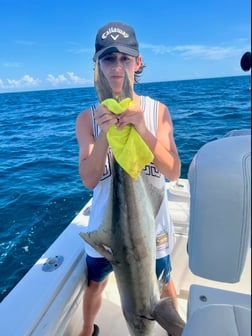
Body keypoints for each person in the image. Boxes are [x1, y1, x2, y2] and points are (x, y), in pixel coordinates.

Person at [76, 21, 181, 336]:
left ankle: (179, 332)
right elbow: (89, 180)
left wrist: (142, 131)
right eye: (109, 59)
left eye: (125, 58)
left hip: (151, 230)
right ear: (98, 65)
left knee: (164, 283)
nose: (117, 66)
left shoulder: (157, 111)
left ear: (138, 62)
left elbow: (174, 171)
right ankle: (85, 329)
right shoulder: (87, 119)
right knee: (95, 284)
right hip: (107, 235)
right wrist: (107, 136)